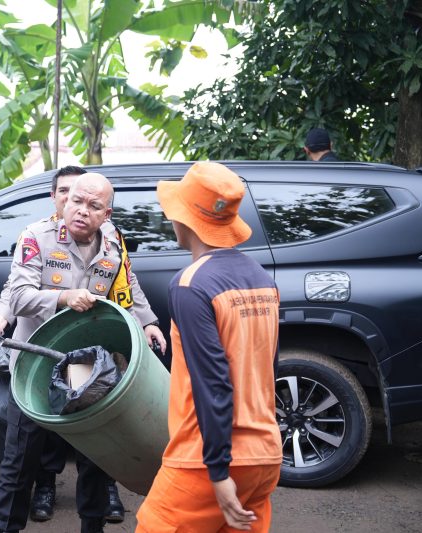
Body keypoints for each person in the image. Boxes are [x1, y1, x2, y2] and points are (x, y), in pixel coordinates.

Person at [0, 172, 166, 533]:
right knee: (20, 459)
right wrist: (63, 297)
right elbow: (19, 296)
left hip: (91, 368)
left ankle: (92, 527)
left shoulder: (114, 242)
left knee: (95, 460)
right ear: (64, 202)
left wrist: (147, 320)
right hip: (35, 366)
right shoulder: (36, 236)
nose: (82, 210)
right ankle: (5, 528)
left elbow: (126, 284)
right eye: (76, 201)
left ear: (107, 214)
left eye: (94, 206)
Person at [136, 162, 281, 533]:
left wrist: (217, 471)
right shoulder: (261, 278)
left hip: (205, 460)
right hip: (265, 454)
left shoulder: (191, 284)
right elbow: (267, 368)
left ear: (183, 220)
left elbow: (212, 382)